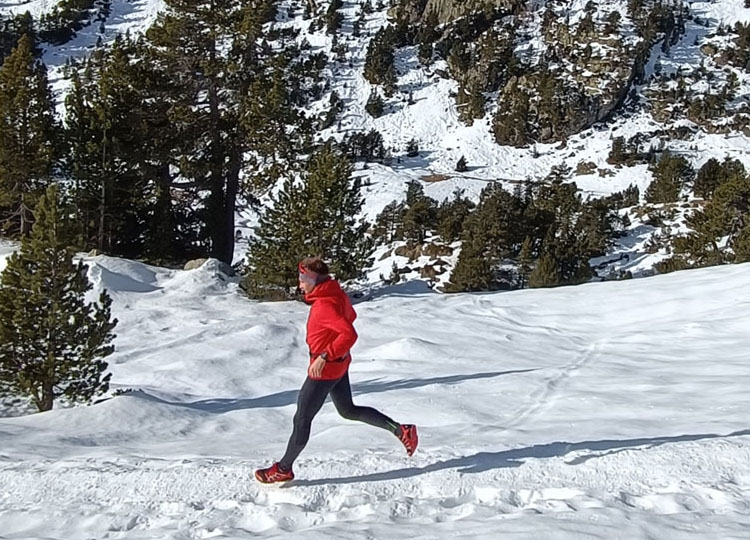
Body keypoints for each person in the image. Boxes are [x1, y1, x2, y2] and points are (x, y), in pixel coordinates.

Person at [255, 257, 418, 484]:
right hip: (339, 363)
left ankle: (283, 469)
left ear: (314, 280)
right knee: (348, 410)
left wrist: (325, 355)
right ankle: (401, 430)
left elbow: (349, 333)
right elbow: (351, 315)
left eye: (302, 278)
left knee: (302, 418)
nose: (299, 283)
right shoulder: (335, 293)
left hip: (325, 369)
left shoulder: (325, 305)